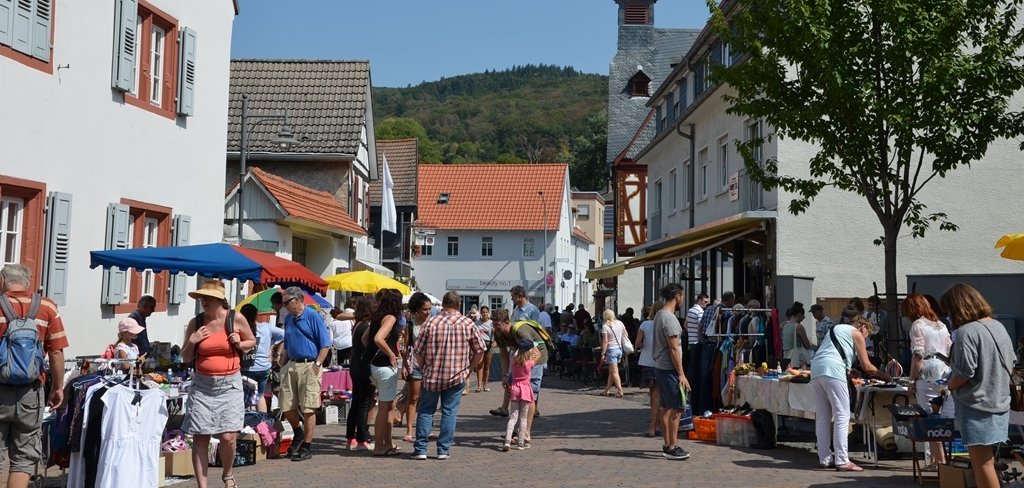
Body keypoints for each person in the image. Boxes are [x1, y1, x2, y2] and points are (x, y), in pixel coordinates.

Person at [180, 280, 256, 488]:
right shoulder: (196, 323)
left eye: (209, 298)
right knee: (200, 437)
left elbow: (251, 341)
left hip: (229, 384)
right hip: (203, 386)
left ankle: (228, 473)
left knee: (228, 436)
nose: (204, 301)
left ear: (220, 300)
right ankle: (202, 486)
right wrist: (193, 341)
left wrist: (239, 343)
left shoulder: (235, 318)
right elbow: (185, 357)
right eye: (202, 298)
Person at [0, 264, 67, 488]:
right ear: (27, 283)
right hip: (31, 393)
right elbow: (56, 352)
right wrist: (58, 388)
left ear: (2, 281)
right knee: (23, 459)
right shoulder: (47, 306)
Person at [942, 283, 1014, 488]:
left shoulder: (967, 331)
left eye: (948, 311)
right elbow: (1011, 361)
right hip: (998, 401)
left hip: (977, 404)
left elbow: (964, 372)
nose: (948, 317)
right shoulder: (997, 326)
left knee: (982, 463)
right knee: (987, 462)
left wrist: (949, 385)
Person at [412, 291, 485, 460]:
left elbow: (418, 351)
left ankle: (421, 448)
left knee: (426, 411)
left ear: (443, 305)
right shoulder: (467, 323)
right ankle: (443, 449)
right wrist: (470, 368)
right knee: (449, 412)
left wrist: (424, 368)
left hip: (432, 374)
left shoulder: (431, 323)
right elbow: (480, 349)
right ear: (458, 305)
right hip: (457, 375)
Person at [811, 315, 888, 472]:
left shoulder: (836, 329)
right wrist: (884, 375)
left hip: (817, 369)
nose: (865, 340)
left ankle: (825, 458)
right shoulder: (857, 333)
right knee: (842, 414)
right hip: (833, 371)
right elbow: (867, 366)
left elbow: (832, 352)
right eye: (867, 336)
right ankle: (842, 460)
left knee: (823, 416)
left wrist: (847, 371)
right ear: (863, 327)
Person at [277, 286, 331, 462]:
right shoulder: (290, 319)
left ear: (298, 300)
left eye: (287, 302)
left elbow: (325, 344)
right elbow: (287, 343)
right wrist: (282, 361)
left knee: (308, 406)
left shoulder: (312, 316)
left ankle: (307, 446)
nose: (284, 306)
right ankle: (298, 432)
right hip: (291, 364)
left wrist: (317, 364)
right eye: (283, 303)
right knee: (287, 405)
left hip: (309, 365)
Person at [902, 293, 954, 470]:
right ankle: (940, 460)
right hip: (945, 371)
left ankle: (938, 461)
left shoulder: (918, 325)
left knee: (929, 417)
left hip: (927, 372)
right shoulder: (941, 324)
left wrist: (910, 381)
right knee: (941, 417)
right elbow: (949, 349)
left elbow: (918, 355)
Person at [652, 283, 691, 460]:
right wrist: (681, 373)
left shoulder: (659, 314)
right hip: (669, 368)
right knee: (676, 407)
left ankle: (668, 444)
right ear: (677, 297)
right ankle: (672, 446)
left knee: (666, 407)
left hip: (661, 367)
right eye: (682, 297)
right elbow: (674, 349)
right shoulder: (669, 318)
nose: (682, 300)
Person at [488, 286, 541, 417]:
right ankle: (505, 407)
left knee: (529, 380)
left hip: (528, 348)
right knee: (513, 379)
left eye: (513, 296)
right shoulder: (516, 309)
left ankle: (533, 409)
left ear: (519, 295)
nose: (511, 298)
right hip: (516, 348)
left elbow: (536, 330)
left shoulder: (532, 310)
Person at [364, 288, 403, 456]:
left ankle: (388, 443)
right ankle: (379, 445)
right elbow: (378, 338)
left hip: (374, 366)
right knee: (384, 407)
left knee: (388, 406)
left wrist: (372, 352)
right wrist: (391, 354)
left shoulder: (376, 317)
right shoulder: (391, 317)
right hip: (384, 367)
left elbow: (365, 339)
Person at [398, 292, 432, 443]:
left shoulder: (433, 324)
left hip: (431, 366)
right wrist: (405, 365)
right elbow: (406, 347)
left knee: (428, 399)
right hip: (416, 365)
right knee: (413, 398)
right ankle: (410, 430)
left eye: (429, 309)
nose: (428, 312)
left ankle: (426, 429)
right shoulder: (410, 326)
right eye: (425, 309)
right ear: (417, 310)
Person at [238, 303, 284, 413]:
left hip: (247, 368)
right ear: (256, 315)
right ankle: (261, 423)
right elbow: (284, 334)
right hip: (264, 367)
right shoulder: (266, 327)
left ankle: (248, 423)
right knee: (260, 395)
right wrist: (273, 345)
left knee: (246, 397)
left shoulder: (240, 329)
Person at [345, 296, 376, 451]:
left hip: (355, 366)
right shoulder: (364, 326)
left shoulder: (357, 324)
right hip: (363, 368)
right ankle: (362, 438)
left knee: (356, 403)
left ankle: (351, 438)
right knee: (363, 404)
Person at [503, 338, 539, 451]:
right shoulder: (529, 363)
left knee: (513, 417)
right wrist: (536, 348)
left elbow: (517, 353)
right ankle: (521, 442)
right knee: (523, 418)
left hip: (515, 390)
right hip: (525, 390)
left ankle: (507, 440)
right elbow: (538, 356)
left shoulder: (514, 362)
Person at [635, 301, 662, 437]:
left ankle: (655, 422)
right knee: (657, 396)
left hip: (646, 361)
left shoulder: (645, 324)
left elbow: (637, 343)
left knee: (652, 395)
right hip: (658, 362)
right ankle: (653, 425)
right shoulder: (662, 324)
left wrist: (644, 345)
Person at [600, 309, 627, 398]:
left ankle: (620, 390)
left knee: (614, 372)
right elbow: (625, 334)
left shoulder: (605, 326)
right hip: (619, 349)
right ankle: (607, 390)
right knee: (611, 371)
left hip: (611, 350)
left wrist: (603, 353)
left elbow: (605, 341)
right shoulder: (620, 323)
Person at [782, 302, 813, 369]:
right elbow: (807, 344)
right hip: (797, 361)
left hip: (786, 357)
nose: (803, 318)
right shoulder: (798, 327)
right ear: (799, 314)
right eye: (802, 316)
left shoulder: (785, 326)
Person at [474, 305, 494, 392]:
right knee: (480, 365)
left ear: (488, 313)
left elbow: (495, 334)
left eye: (486, 312)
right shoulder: (477, 323)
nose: (485, 314)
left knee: (487, 365)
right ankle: (479, 386)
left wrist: (494, 341)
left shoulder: (491, 323)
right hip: (480, 345)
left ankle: (485, 385)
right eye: (483, 312)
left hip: (489, 344)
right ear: (480, 313)